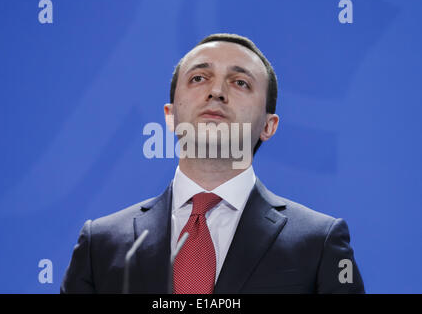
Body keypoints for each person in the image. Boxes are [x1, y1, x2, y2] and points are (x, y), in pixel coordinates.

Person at [60, 33, 365, 294]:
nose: (216, 92)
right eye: (199, 78)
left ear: (269, 126)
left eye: (240, 83)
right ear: (170, 115)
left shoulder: (319, 243)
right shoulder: (100, 244)